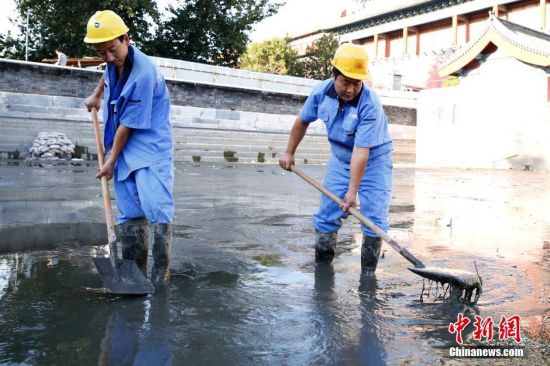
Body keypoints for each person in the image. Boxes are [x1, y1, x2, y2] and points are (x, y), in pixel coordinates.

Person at [279, 43, 392, 273]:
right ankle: (322, 273)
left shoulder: (370, 104)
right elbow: (302, 121)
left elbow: (361, 152)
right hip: (341, 159)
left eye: (356, 83)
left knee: (374, 219)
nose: (350, 89)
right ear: (334, 76)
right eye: (345, 81)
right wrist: (289, 152)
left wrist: (352, 192)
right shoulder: (321, 92)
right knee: (327, 215)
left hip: (373, 160)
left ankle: (368, 278)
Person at [83, 10, 174, 285]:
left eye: (112, 49)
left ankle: (160, 281)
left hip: (149, 148)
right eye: (101, 52)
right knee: (129, 212)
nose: (109, 57)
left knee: (157, 211)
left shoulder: (144, 74)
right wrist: (97, 95)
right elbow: (108, 72)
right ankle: (134, 276)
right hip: (121, 148)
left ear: (126, 39)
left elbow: (128, 124)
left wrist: (110, 160)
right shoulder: (113, 60)